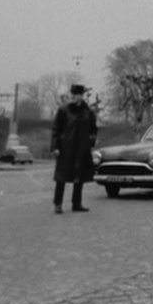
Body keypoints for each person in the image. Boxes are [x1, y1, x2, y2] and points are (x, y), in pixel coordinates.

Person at [51, 84, 98, 213]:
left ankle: (76, 203)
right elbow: (56, 129)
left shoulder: (88, 112)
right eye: (72, 94)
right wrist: (55, 146)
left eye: (76, 95)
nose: (73, 97)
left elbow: (93, 129)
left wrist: (91, 142)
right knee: (61, 177)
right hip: (66, 148)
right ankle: (58, 204)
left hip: (82, 148)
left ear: (81, 96)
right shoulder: (63, 110)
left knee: (80, 178)